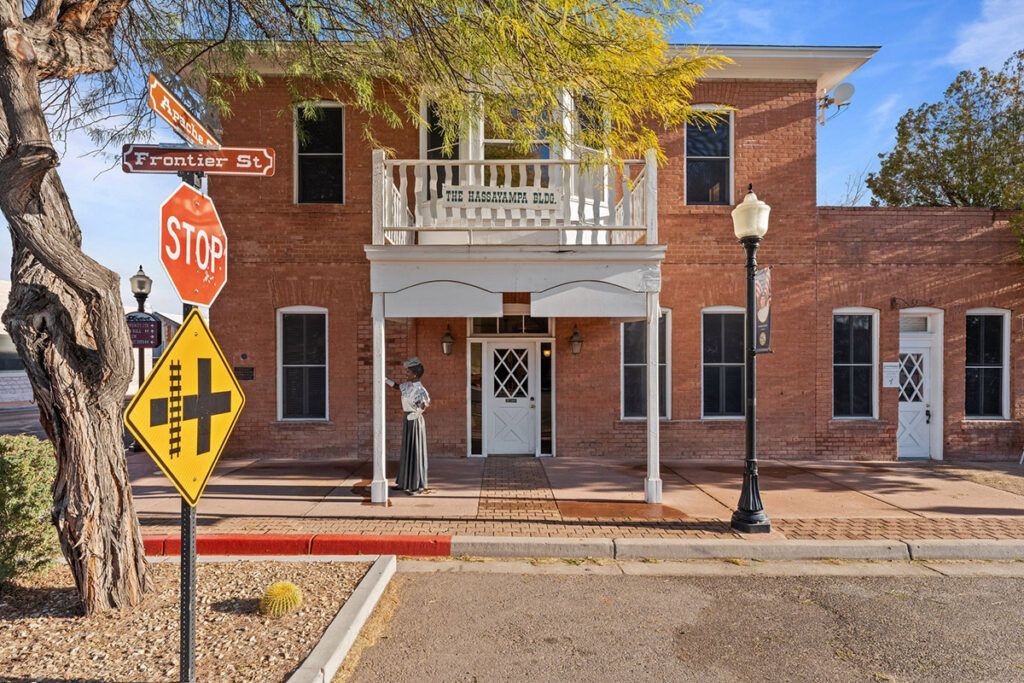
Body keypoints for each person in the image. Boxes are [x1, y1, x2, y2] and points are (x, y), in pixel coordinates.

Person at [385, 357, 430, 494]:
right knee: (407, 450)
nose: (407, 374)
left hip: (415, 421)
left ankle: (417, 485)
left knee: (415, 450)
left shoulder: (421, 390)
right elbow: (397, 386)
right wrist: (385, 379)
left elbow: (424, 405)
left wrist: (415, 415)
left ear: (415, 374)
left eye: (409, 372)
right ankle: (404, 482)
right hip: (407, 419)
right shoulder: (407, 386)